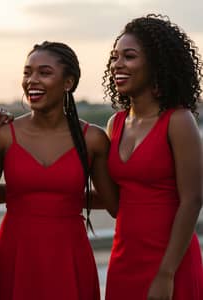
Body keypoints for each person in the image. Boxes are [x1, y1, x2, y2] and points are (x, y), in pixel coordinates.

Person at [0, 41, 118, 300]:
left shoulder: (93, 139)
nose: (32, 80)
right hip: (15, 254)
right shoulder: (2, 137)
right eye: (27, 72)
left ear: (68, 83)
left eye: (44, 72)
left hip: (69, 256)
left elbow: (115, 206)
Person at [102, 14, 203, 300]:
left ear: (157, 64)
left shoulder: (178, 120)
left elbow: (192, 200)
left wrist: (166, 273)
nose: (117, 65)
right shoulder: (115, 124)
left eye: (129, 56)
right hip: (124, 259)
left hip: (171, 262)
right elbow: (116, 202)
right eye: (114, 57)